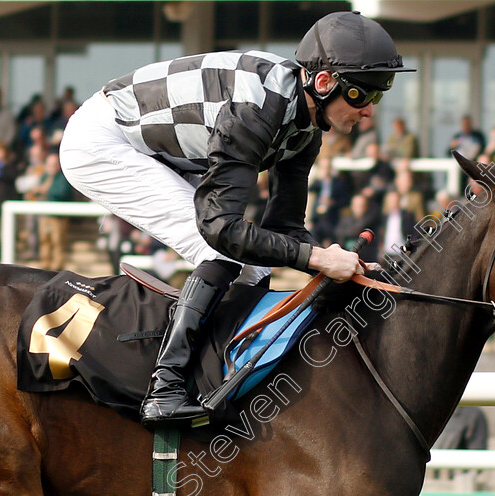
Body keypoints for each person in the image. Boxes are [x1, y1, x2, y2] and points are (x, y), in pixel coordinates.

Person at [58, 11, 413, 426]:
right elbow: (220, 229)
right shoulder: (256, 110)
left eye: (378, 97)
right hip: (102, 141)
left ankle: (218, 374)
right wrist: (317, 259)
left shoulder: (306, 126)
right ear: (323, 83)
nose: (369, 112)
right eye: (362, 95)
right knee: (217, 247)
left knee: (253, 261)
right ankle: (165, 387)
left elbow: (283, 229)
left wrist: (336, 265)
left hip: (159, 147)